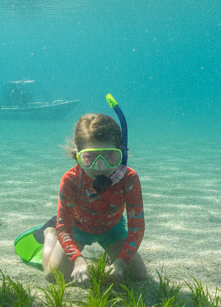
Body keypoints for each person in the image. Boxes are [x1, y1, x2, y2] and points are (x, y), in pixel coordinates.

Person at [41, 111, 148, 287]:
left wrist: (120, 263)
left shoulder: (129, 178)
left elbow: (137, 227)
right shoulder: (70, 179)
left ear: (120, 153)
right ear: (77, 155)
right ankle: (50, 235)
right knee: (54, 276)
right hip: (77, 228)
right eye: (89, 157)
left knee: (138, 275)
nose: (100, 167)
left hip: (112, 228)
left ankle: (110, 256)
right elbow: (65, 227)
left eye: (109, 156)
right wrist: (77, 260)